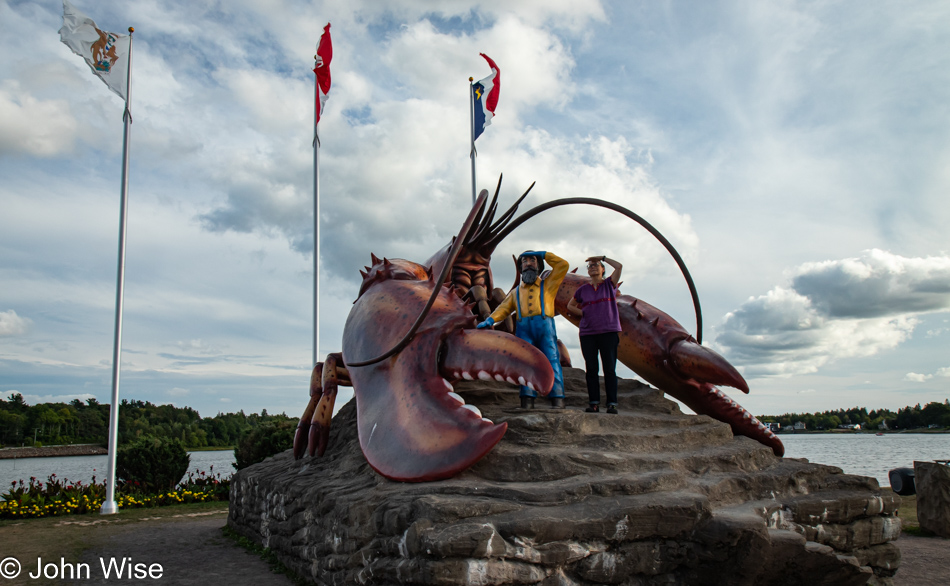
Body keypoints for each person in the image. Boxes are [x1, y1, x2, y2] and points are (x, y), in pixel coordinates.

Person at [477, 251, 568, 409]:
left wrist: (544, 254)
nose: (528, 263)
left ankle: (557, 397)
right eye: (524, 261)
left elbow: (563, 265)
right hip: (524, 328)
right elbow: (503, 308)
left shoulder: (548, 284)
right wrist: (490, 319)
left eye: (532, 260)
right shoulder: (516, 292)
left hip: (545, 327)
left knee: (552, 359)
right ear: (521, 268)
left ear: (538, 265)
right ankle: (527, 398)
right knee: (525, 363)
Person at [567, 255, 623, 414]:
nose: (592, 267)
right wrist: (583, 312)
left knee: (609, 368)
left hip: (609, 331)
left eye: (596, 265)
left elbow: (619, 267)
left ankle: (612, 403)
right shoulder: (583, 289)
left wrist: (603, 257)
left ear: (603, 269)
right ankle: (594, 403)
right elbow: (570, 306)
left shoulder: (609, 285)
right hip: (588, 333)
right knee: (591, 368)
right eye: (590, 266)